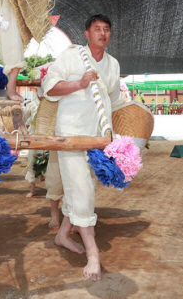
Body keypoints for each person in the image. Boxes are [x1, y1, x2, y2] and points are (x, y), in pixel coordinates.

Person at [41, 14, 125, 282]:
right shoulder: (71, 56)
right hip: (70, 134)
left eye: (107, 29)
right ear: (86, 34)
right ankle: (93, 254)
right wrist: (79, 83)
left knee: (81, 186)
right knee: (83, 189)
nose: (103, 33)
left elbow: (115, 101)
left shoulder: (112, 64)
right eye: (97, 29)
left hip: (98, 137)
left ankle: (63, 234)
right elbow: (49, 88)